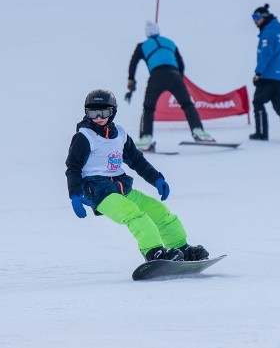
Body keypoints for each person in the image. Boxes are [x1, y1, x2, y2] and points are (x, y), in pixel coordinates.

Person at [65, 89, 209, 262]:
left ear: (113, 112)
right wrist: (75, 193)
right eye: (93, 113)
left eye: (104, 112)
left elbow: (136, 160)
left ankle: (180, 247)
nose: (98, 118)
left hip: (122, 188)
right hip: (99, 193)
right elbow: (73, 167)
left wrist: (156, 178)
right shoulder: (84, 137)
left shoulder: (121, 134)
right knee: (134, 215)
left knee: (158, 211)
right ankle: (153, 251)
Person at [126, 21, 214, 150]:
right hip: (174, 75)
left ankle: (146, 138)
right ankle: (198, 131)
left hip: (156, 76)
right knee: (187, 104)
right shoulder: (170, 42)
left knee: (148, 109)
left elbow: (133, 63)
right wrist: (179, 78)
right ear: (159, 31)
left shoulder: (142, 46)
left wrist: (131, 79)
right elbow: (181, 63)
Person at [250, 4, 280, 141]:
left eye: (256, 17)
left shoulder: (268, 33)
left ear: (264, 18)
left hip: (269, 75)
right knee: (278, 103)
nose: (254, 21)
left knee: (258, 101)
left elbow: (266, 54)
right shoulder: (277, 32)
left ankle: (261, 133)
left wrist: (258, 73)